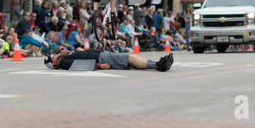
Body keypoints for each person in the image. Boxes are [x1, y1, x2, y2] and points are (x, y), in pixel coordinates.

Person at [45, 45, 174, 72]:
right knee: (128, 58)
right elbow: (80, 63)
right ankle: (158, 65)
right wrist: (100, 65)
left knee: (129, 59)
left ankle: (158, 63)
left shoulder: (66, 58)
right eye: (53, 57)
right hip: (100, 57)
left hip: (100, 55)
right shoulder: (64, 62)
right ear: (54, 63)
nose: (56, 54)